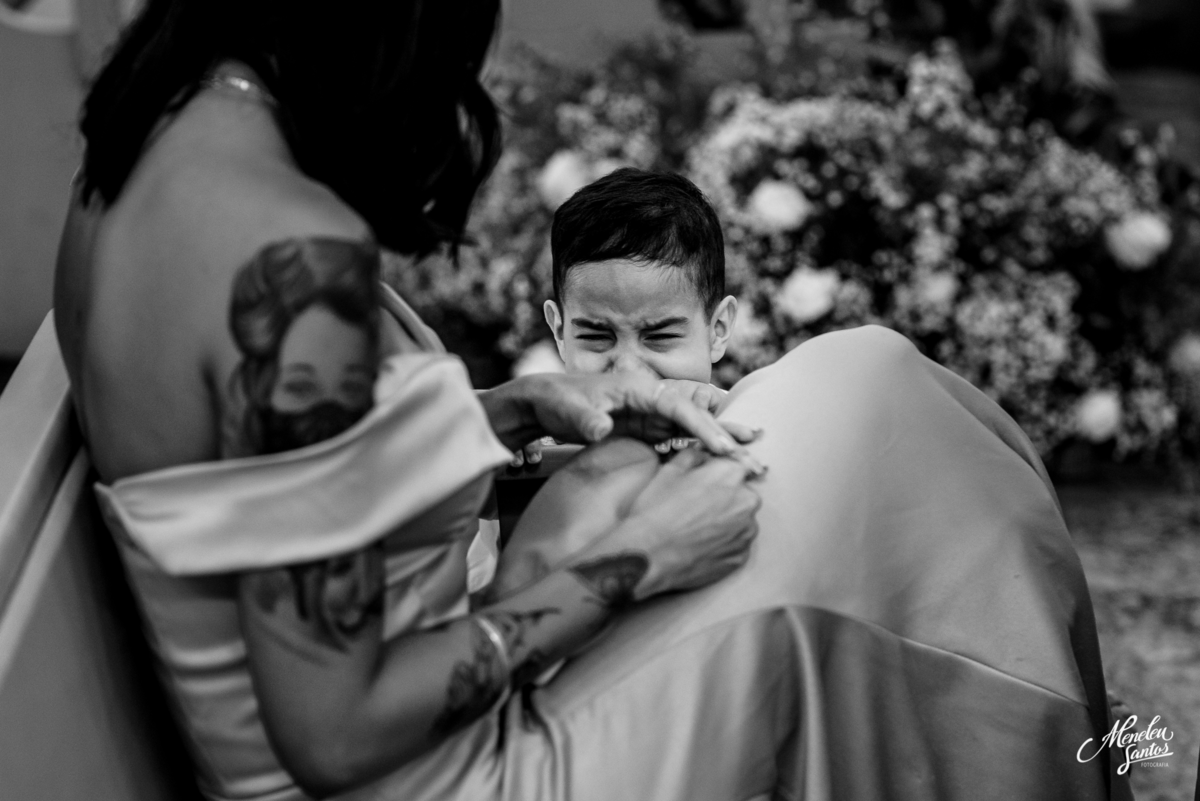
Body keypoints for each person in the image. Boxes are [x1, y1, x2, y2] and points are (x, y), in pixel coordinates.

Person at [54, 2, 1130, 801]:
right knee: (886, 424)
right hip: (453, 775)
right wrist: (638, 563)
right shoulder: (286, 248)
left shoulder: (143, 153)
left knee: (867, 389)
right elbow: (336, 731)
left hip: (421, 726)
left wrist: (515, 408)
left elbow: (261, 483)